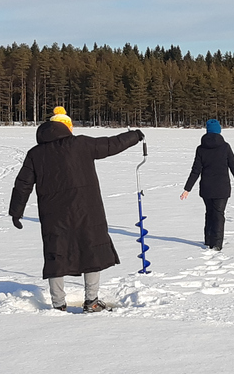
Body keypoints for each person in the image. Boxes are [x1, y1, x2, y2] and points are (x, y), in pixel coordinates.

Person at [9, 113, 143, 312]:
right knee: (91, 251)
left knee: (56, 255)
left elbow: (23, 184)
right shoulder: (81, 144)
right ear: (67, 128)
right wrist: (134, 136)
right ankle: (91, 301)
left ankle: (58, 305)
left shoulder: (35, 154)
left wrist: (16, 211)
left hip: (54, 216)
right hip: (87, 211)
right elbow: (110, 144)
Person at [181, 119, 234, 251]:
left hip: (207, 188)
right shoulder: (225, 147)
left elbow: (195, 170)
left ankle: (208, 240)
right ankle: (216, 244)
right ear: (219, 130)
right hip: (222, 188)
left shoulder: (201, 148)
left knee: (210, 213)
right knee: (218, 214)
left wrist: (187, 189)